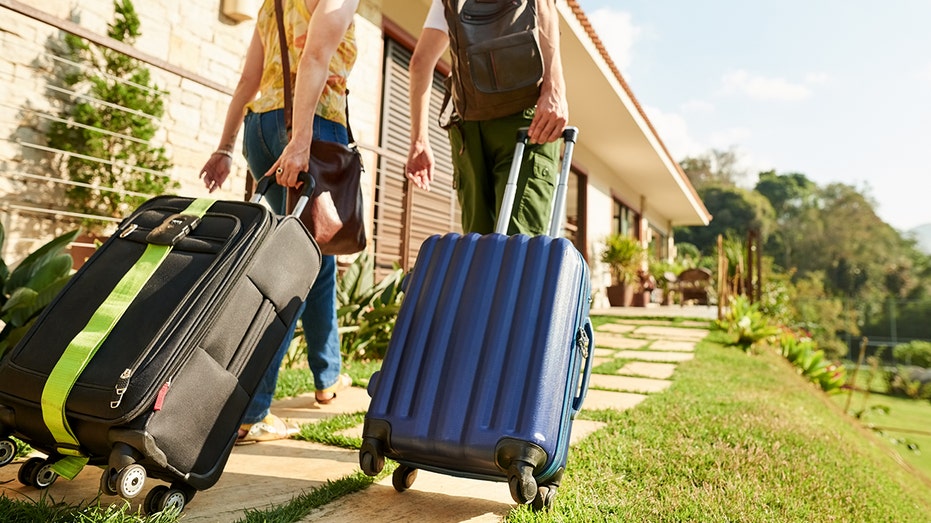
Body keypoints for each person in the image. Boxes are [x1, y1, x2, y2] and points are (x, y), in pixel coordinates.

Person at [199, 0, 358, 442]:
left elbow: (250, 79)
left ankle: (328, 378)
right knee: (290, 270)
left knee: (316, 257)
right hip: (310, 126)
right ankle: (252, 411)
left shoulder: (274, 3)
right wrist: (302, 141)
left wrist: (225, 147)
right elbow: (315, 57)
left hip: (262, 128)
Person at [405, 0, 568, 235]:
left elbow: (420, 63)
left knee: (478, 249)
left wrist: (419, 140)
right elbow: (545, 8)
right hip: (528, 122)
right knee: (519, 248)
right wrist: (554, 89)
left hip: (469, 129)